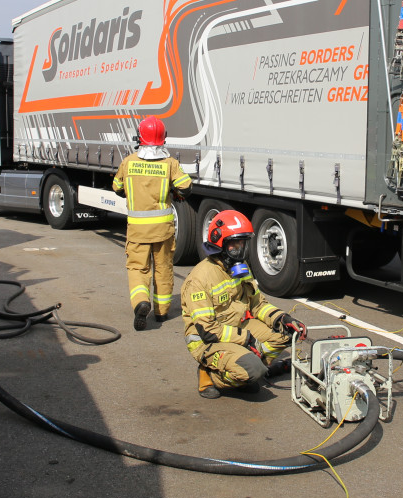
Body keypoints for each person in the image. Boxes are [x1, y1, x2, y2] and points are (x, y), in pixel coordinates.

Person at [181, 210, 304, 398]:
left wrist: (282, 318)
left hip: (236, 327)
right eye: (235, 244)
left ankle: (247, 371)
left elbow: (257, 304)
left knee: (286, 335)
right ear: (220, 244)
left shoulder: (239, 267)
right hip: (207, 341)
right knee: (252, 369)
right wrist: (246, 338)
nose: (242, 249)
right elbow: (208, 330)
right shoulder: (199, 279)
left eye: (243, 243)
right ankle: (211, 376)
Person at [113, 116, 191, 330]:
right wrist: (173, 191)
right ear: (163, 139)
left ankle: (141, 302)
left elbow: (117, 187)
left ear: (140, 138)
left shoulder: (128, 162)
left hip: (137, 231)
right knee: (163, 269)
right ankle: (162, 312)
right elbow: (186, 187)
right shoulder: (170, 164)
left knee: (138, 268)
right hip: (163, 231)